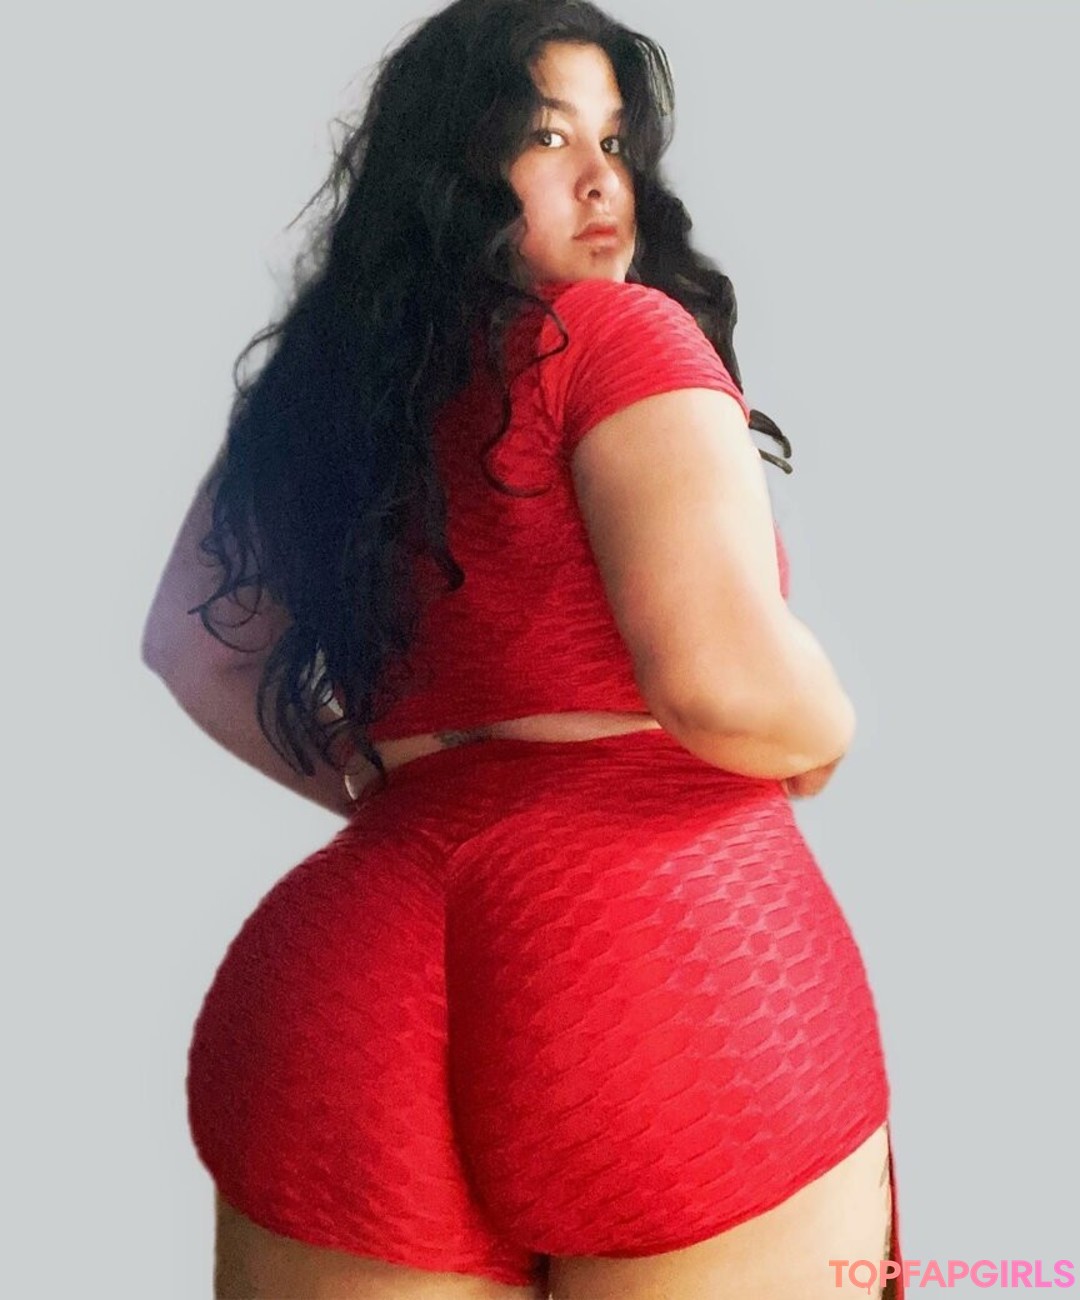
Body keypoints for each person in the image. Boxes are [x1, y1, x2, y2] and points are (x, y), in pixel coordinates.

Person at [142, 0, 902, 1295]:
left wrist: (382, 790)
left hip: (355, 972)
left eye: (616, 139)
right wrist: (825, 731)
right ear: (454, 164)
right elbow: (722, 686)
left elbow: (190, 647)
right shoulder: (617, 334)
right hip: (661, 952)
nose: (604, 179)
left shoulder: (320, 394)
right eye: (548, 136)